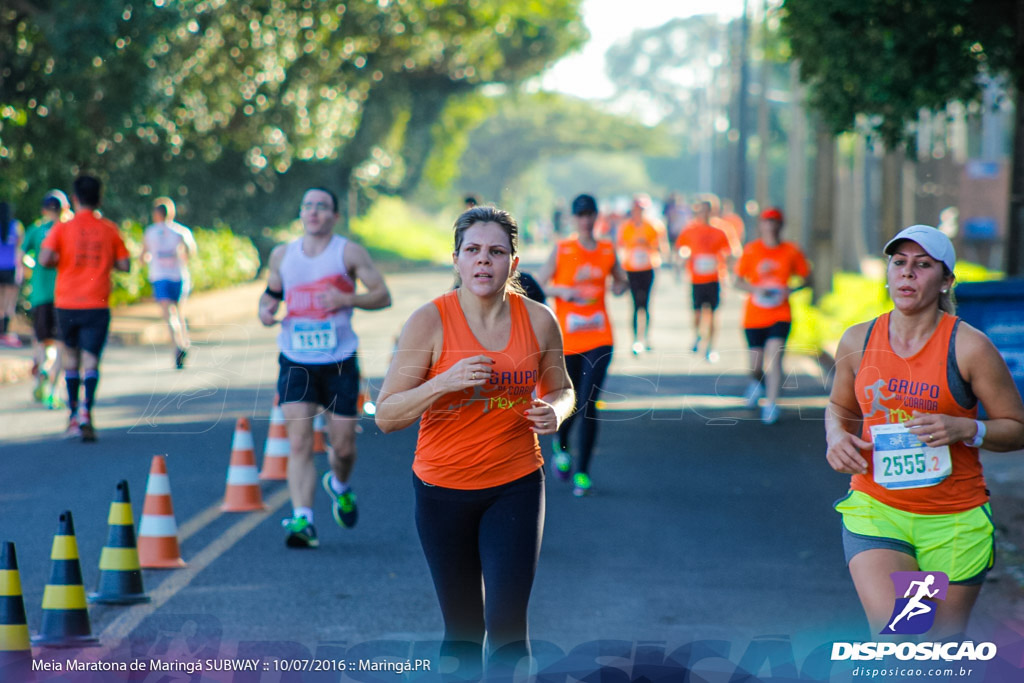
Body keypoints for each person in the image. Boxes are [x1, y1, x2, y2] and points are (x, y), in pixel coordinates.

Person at [374, 206, 574, 676]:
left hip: (516, 484)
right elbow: (386, 416)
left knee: (508, 628)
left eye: (496, 252)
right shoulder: (429, 322)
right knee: (462, 630)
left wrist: (556, 412)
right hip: (442, 490)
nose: (484, 261)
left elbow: (562, 388)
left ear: (514, 263)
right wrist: (444, 381)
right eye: (473, 251)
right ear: (457, 260)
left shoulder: (539, 320)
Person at [826, 225, 1024, 638]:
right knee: (901, 636)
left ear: (946, 280)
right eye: (899, 263)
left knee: (937, 651)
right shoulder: (858, 340)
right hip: (877, 510)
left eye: (923, 265)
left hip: (954, 519)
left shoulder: (969, 347)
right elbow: (840, 406)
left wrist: (966, 428)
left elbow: (1016, 429)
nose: (907, 274)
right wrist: (836, 436)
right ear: (888, 274)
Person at [258, 187, 391, 549]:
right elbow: (271, 293)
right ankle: (303, 519)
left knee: (343, 448)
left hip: (339, 362)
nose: (314, 212)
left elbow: (382, 294)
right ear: (300, 213)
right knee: (299, 441)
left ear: (334, 216)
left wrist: (346, 298)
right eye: (308, 206)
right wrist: (265, 310)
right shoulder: (283, 255)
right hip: (295, 360)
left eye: (322, 207)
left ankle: (340, 485)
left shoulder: (347, 252)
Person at [536, 193, 627, 496]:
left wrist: (619, 284)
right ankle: (561, 448)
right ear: (574, 218)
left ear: (597, 217)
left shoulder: (606, 249)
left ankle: (583, 473)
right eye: (581, 215)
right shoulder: (563, 249)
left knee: (589, 404)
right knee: (570, 401)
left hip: (600, 338)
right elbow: (537, 284)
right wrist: (563, 290)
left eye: (590, 214)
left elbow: (621, 279)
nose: (586, 220)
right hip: (568, 340)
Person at [39, 175, 131, 442]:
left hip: (67, 302)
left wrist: (63, 259)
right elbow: (125, 265)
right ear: (99, 198)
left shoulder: (62, 228)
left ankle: (71, 416)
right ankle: (87, 412)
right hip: (97, 303)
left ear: (75, 198)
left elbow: (44, 258)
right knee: (91, 360)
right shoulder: (110, 229)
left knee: (70, 358)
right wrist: (103, 261)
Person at [734, 207, 810, 424]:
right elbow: (737, 280)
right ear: (761, 225)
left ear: (780, 225)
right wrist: (755, 289)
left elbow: (806, 278)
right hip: (754, 314)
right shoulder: (751, 251)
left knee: (775, 357)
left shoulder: (791, 251)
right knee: (755, 365)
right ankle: (756, 384)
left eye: (775, 221)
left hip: (780, 313)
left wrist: (791, 290)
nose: (770, 225)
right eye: (766, 221)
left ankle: (771, 403)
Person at [21, 191, 70, 406]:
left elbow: (20, 255)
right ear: (65, 208)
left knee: (41, 341)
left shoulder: (36, 230)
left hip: (40, 293)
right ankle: (53, 390)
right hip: (64, 295)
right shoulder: (68, 229)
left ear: (44, 210)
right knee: (61, 344)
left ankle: (43, 369)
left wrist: (31, 269)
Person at [674, 200, 736, 363]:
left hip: (715, 277)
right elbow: (680, 247)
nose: (705, 214)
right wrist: (683, 256)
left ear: (713, 212)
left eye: (708, 211)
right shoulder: (690, 229)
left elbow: (731, 250)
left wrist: (729, 266)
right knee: (697, 313)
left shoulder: (721, 230)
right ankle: (698, 336)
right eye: (702, 211)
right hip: (696, 277)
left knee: (714, 313)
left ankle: (711, 347)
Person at [142, 197, 198, 369]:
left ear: (156, 214)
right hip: (178, 276)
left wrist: (149, 259)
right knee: (179, 313)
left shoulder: (150, 232)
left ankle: (178, 346)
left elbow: (143, 256)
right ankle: (184, 342)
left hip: (160, 276)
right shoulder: (180, 231)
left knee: (168, 314)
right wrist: (181, 257)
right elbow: (191, 250)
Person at [616, 194, 668, 355]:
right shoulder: (626, 226)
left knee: (645, 304)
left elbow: (663, 248)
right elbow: (620, 246)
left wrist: (647, 245)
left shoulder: (654, 226)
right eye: (636, 208)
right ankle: (634, 340)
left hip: (648, 268)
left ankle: (645, 337)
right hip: (631, 269)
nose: (639, 212)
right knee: (634, 304)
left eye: (642, 209)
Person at [0, 201, 24, 348]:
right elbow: (20, 247)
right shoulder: (16, 226)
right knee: (9, 303)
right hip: (11, 268)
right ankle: (5, 332)